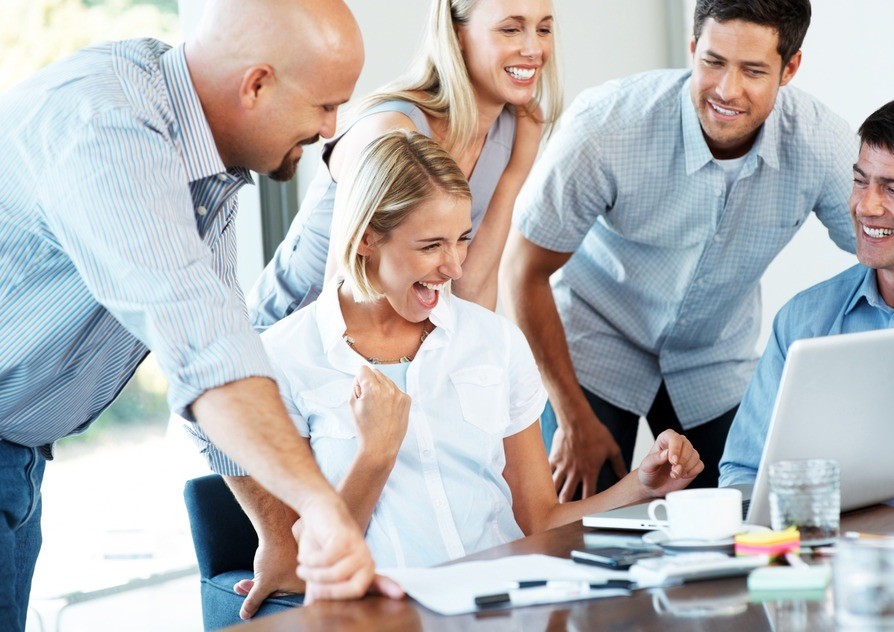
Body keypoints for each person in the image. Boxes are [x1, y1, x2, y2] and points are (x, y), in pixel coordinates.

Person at [0, 1, 396, 628]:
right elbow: (208, 355)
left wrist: (282, 535)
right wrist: (320, 508)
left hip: (16, 454)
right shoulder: (110, 132)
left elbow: (221, 343)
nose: (331, 130)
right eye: (325, 105)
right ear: (256, 85)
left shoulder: (200, 153)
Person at [248, 129, 703, 584]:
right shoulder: (284, 358)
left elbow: (539, 521)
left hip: (508, 602)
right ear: (366, 238)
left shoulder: (494, 341)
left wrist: (640, 488)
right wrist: (376, 454)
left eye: (461, 238)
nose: (455, 267)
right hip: (387, 613)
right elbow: (306, 562)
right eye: (431, 245)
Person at [499, 0, 857, 500]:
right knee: (573, 525)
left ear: (789, 67)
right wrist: (572, 417)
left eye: (753, 70)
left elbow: (887, 247)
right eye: (713, 62)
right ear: (692, 48)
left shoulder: (820, 143)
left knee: (744, 510)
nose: (727, 91)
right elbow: (522, 271)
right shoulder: (607, 125)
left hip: (712, 358)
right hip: (593, 345)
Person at [247, 0, 561, 324]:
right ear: (457, 34)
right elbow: (345, 304)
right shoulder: (392, 129)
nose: (533, 48)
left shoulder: (523, 123)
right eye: (510, 29)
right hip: (292, 332)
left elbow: (472, 289)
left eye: (544, 29)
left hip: (391, 339)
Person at [720, 92, 894, 495]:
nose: (866, 206)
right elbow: (745, 472)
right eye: (861, 181)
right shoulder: (802, 321)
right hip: (822, 553)